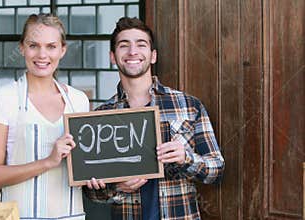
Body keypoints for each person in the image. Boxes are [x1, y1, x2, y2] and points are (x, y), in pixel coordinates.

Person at [84, 17, 225, 220]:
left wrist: (187, 158)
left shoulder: (188, 105)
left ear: (153, 56)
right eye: (124, 45)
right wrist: (115, 188)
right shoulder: (101, 117)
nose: (133, 51)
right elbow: (91, 192)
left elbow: (217, 170)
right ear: (113, 57)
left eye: (141, 44)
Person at [0, 13, 89, 220]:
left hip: (72, 216)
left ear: (63, 50)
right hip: (20, 216)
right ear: (22, 48)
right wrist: (48, 161)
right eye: (33, 45)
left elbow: (85, 165)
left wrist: (97, 177)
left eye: (51, 46)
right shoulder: (3, 99)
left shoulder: (78, 100)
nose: (42, 55)